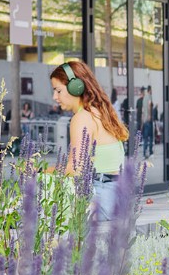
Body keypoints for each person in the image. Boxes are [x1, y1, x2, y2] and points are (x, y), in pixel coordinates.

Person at [50, 60, 128, 221]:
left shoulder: (82, 118)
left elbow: (76, 168)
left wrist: (39, 169)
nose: (54, 97)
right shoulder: (100, 112)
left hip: (100, 200)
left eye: (58, 91)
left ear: (75, 87)